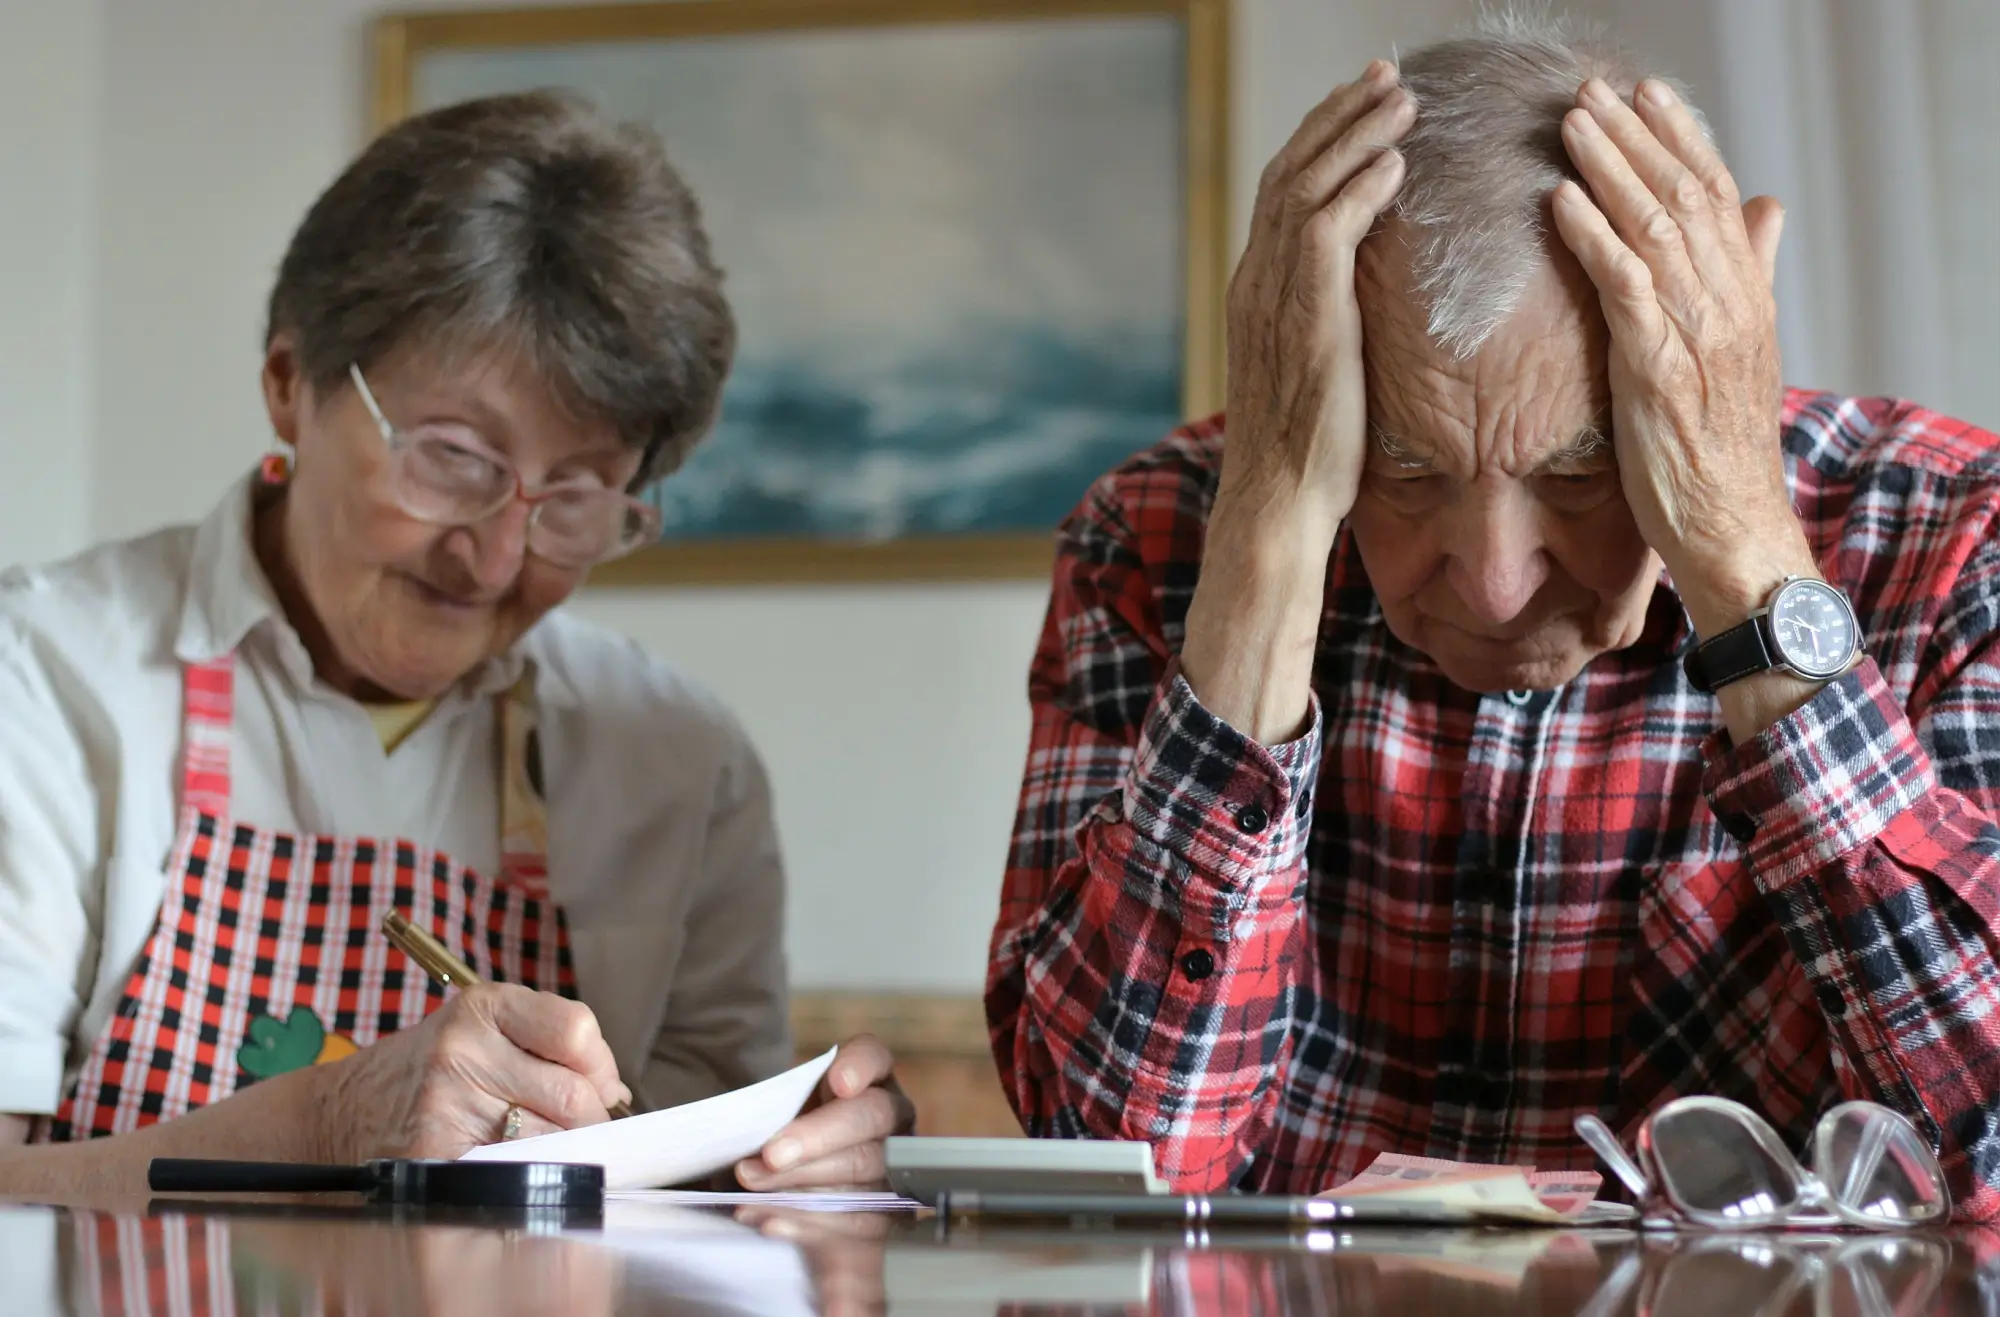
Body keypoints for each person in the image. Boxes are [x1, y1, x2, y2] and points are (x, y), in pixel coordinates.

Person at [988, 12, 2000, 1220]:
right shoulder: (1149, 540)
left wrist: (1738, 548)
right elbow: (1112, 1163)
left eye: (1581, 468)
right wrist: (1264, 537)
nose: (1494, 583)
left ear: (1730, 331)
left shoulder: (1953, 542)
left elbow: (1978, 1160)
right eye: (1404, 471)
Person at [0, 90, 910, 1198]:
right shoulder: (44, 677)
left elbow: (682, 1217)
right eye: (453, 458)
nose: (490, 560)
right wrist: (326, 1119)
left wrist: (793, 1168)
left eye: (576, 496)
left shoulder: (680, 761)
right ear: (291, 386)